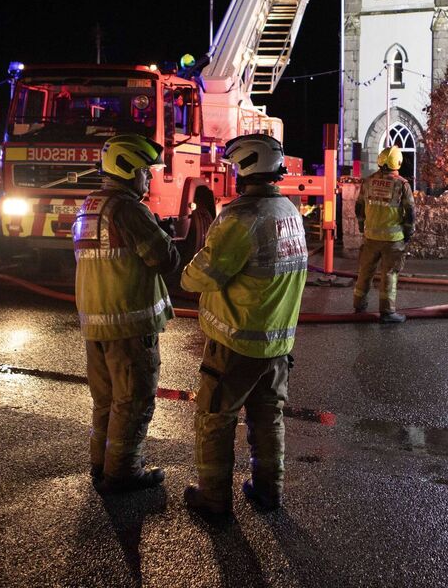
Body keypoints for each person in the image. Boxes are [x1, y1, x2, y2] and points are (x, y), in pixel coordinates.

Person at [182, 134, 307, 519]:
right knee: (268, 418)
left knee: (215, 420)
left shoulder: (240, 218)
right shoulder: (290, 212)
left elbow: (200, 277)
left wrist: (188, 270)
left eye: (236, 168)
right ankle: (269, 491)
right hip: (277, 345)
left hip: (235, 343)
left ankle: (213, 500)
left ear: (246, 169)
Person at [72, 133, 179, 492]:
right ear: (128, 169)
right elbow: (164, 259)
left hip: (95, 325)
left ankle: (101, 465)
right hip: (130, 326)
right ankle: (123, 473)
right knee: (133, 403)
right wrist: (164, 234)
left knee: (105, 402)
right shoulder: (129, 210)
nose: (148, 178)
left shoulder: (89, 206)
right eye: (146, 171)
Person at [353, 145, 415, 323]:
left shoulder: (368, 181)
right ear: (398, 162)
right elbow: (410, 211)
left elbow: (358, 207)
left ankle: (359, 306)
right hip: (393, 240)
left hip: (371, 237)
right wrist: (408, 232)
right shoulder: (402, 184)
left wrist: (362, 226)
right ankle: (387, 312)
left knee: (365, 272)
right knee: (389, 274)